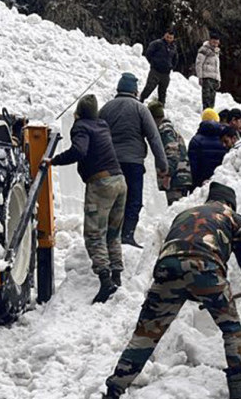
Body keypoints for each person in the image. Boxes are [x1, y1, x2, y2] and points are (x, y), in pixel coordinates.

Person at [103, 182, 241, 399]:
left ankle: (114, 389)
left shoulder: (185, 214)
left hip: (167, 269)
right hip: (206, 268)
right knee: (231, 328)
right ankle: (237, 387)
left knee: (146, 333)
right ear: (230, 203)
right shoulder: (231, 216)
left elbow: (178, 248)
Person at [47, 95, 127, 303]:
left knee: (94, 234)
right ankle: (117, 275)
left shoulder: (81, 126)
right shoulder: (102, 125)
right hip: (119, 181)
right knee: (113, 232)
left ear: (79, 112)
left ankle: (105, 282)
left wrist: (53, 161)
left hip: (101, 184)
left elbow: (79, 151)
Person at [100, 73, 169, 249]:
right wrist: (162, 165)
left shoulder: (106, 109)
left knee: (112, 198)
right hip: (133, 163)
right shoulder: (140, 109)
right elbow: (154, 138)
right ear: (135, 91)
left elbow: (97, 135)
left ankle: (111, 235)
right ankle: (127, 235)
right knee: (133, 199)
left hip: (110, 163)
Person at [148, 101, 193, 206]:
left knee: (174, 211)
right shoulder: (169, 130)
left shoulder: (165, 130)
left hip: (176, 179)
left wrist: (167, 174)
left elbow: (172, 154)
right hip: (180, 178)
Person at [188, 115, 237, 188]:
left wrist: (194, 183)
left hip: (200, 181)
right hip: (219, 180)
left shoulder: (196, 140)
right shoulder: (223, 139)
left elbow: (193, 164)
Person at [139, 29, 178, 105]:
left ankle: (161, 106)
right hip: (155, 71)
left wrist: (171, 67)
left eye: (171, 38)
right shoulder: (157, 43)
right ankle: (141, 100)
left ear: (173, 38)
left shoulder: (173, 47)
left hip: (166, 73)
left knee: (162, 92)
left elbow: (175, 58)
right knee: (149, 87)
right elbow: (148, 53)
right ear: (164, 35)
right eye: (167, 37)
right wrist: (154, 63)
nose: (169, 39)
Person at [196, 31, 222, 109]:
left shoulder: (217, 51)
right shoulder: (204, 49)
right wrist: (200, 77)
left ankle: (210, 113)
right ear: (210, 41)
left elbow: (217, 67)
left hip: (214, 78)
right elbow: (198, 63)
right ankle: (206, 114)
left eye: (217, 43)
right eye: (214, 42)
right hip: (206, 77)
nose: (215, 44)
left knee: (212, 99)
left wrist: (218, 79)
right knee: (206, 98)